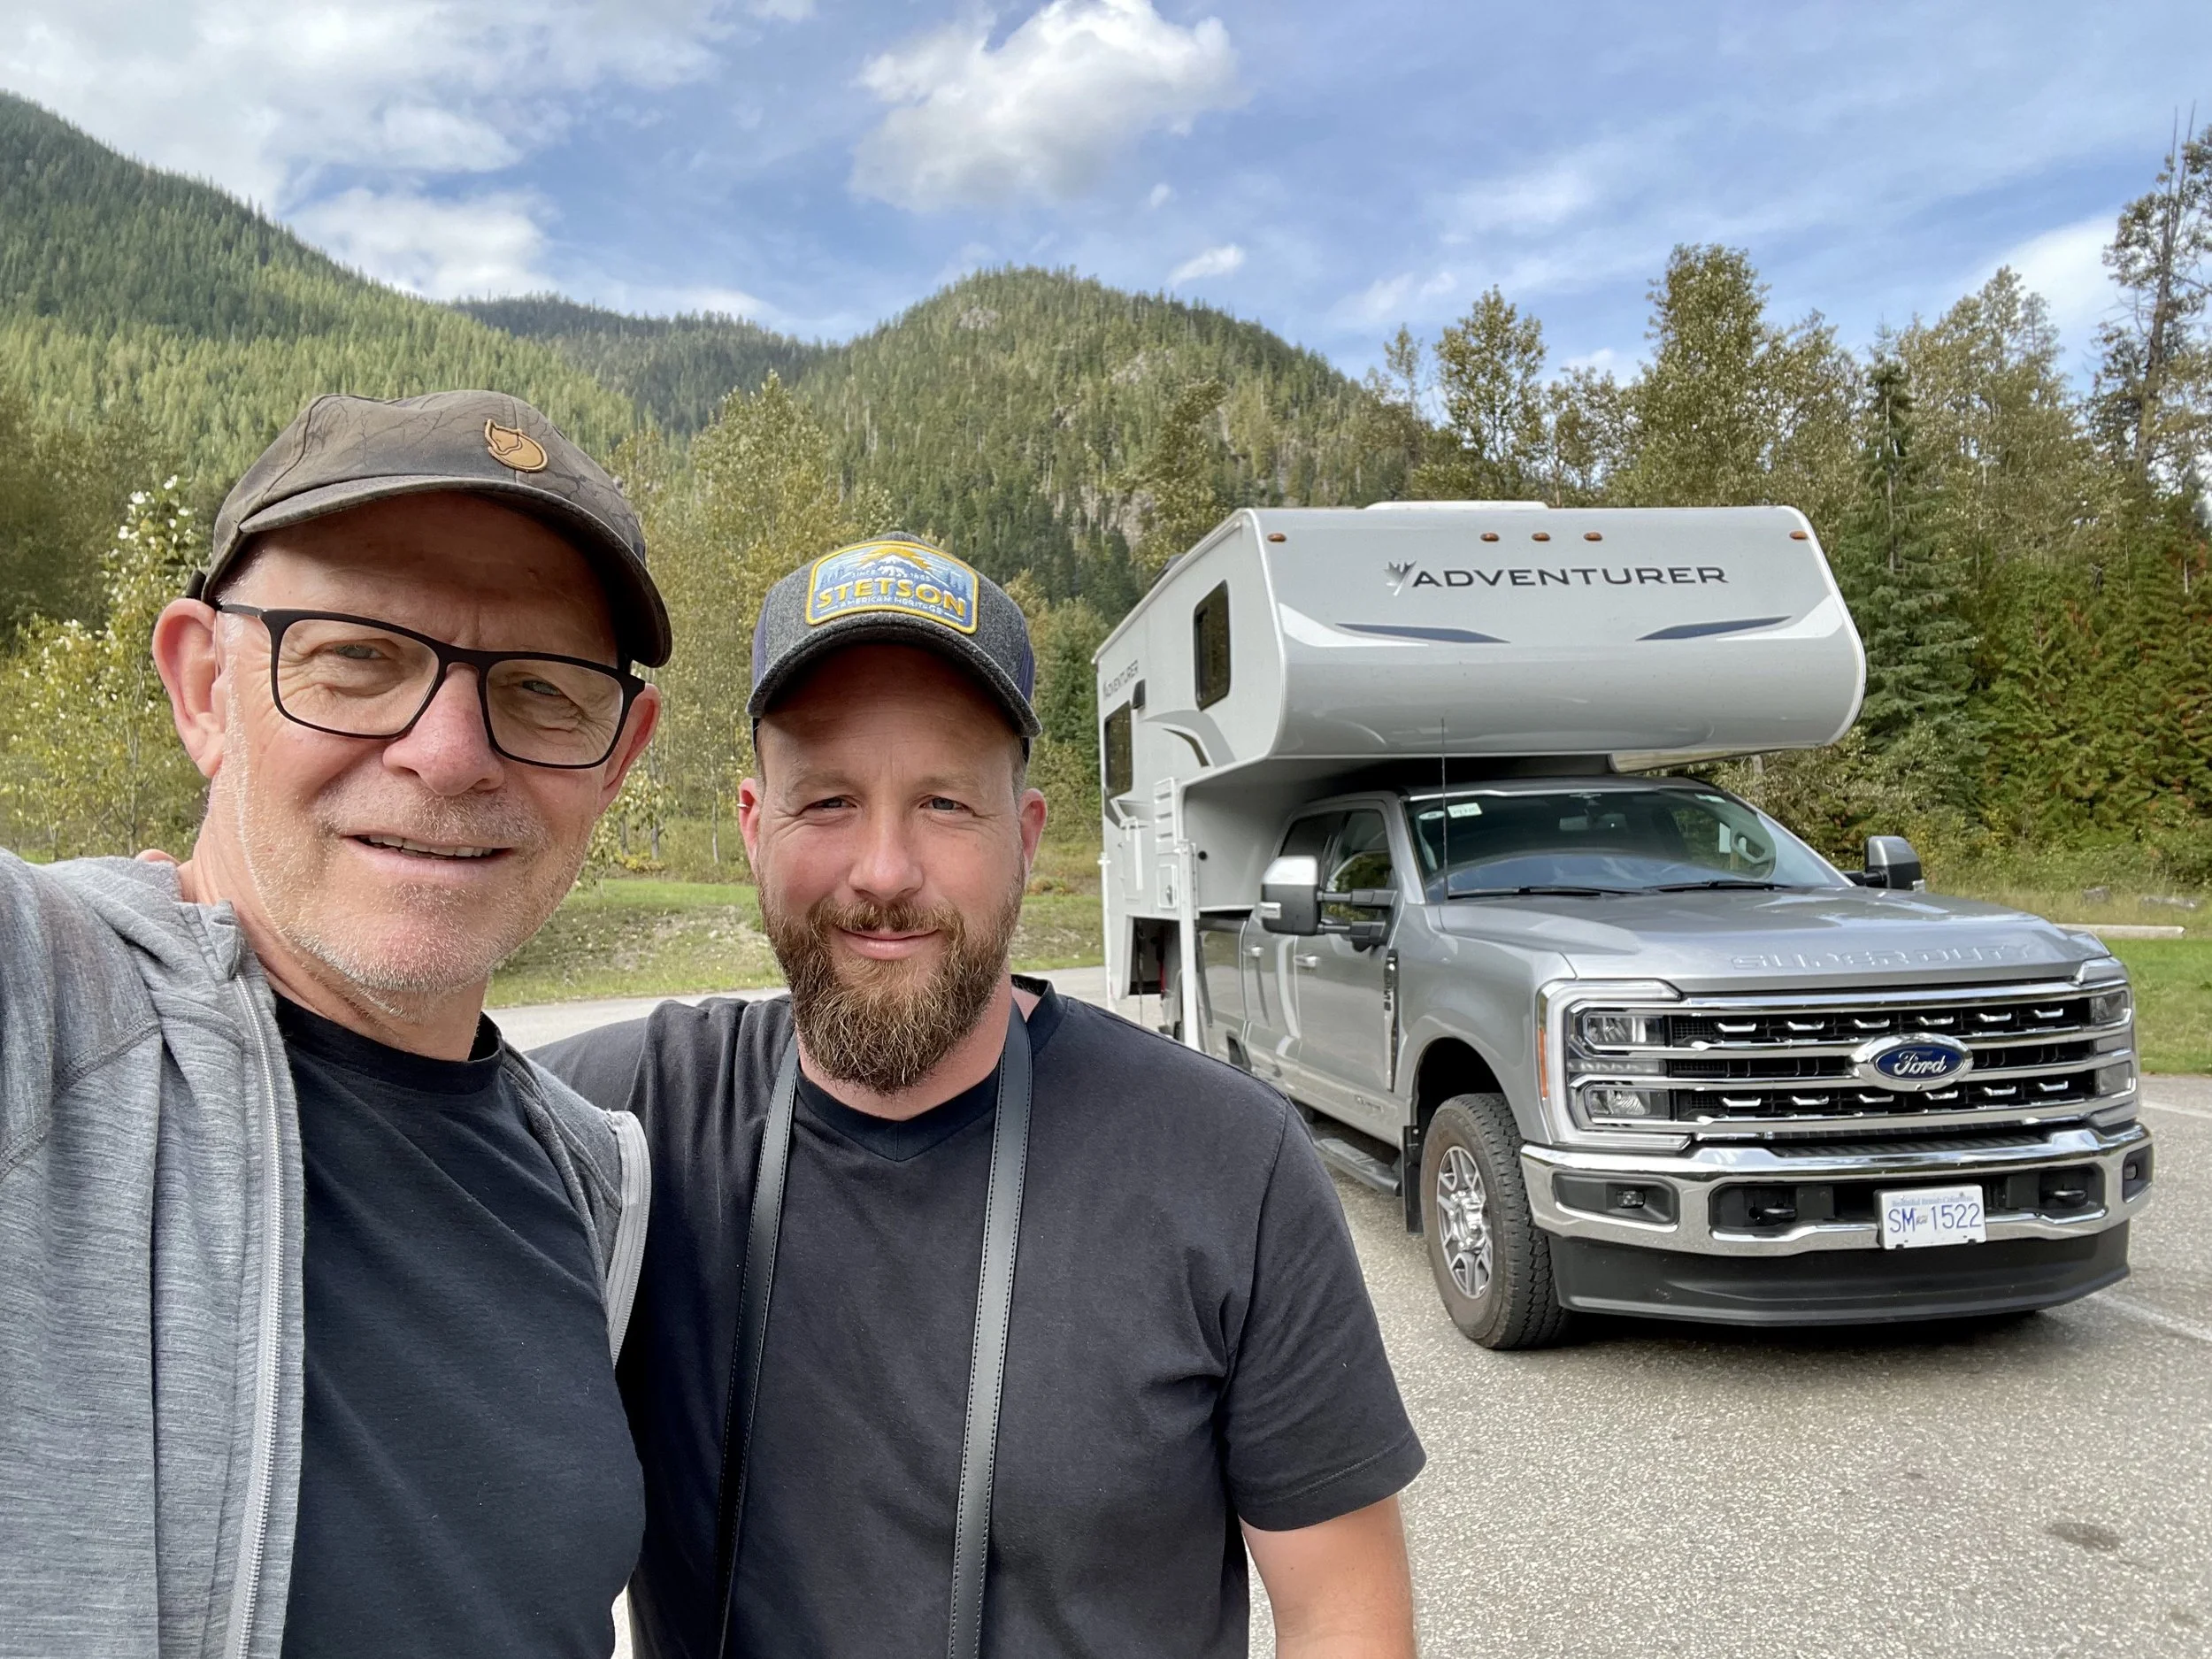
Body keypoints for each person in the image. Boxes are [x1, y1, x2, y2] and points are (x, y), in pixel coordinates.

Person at [540, 535, 1425, 1659]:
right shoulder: (618, 1125)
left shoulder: (1226, 1164)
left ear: (1027, 837)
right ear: (756, 827)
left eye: (947, 803)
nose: (884, 870)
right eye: (828, 801)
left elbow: (1339, 1613)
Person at [0, 391, 666, 1659]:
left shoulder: (594, 1194)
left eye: (541, 688)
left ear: (617, 758)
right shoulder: (45, 1015)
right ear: (204, 686)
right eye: (357, 655)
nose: (452, 751)